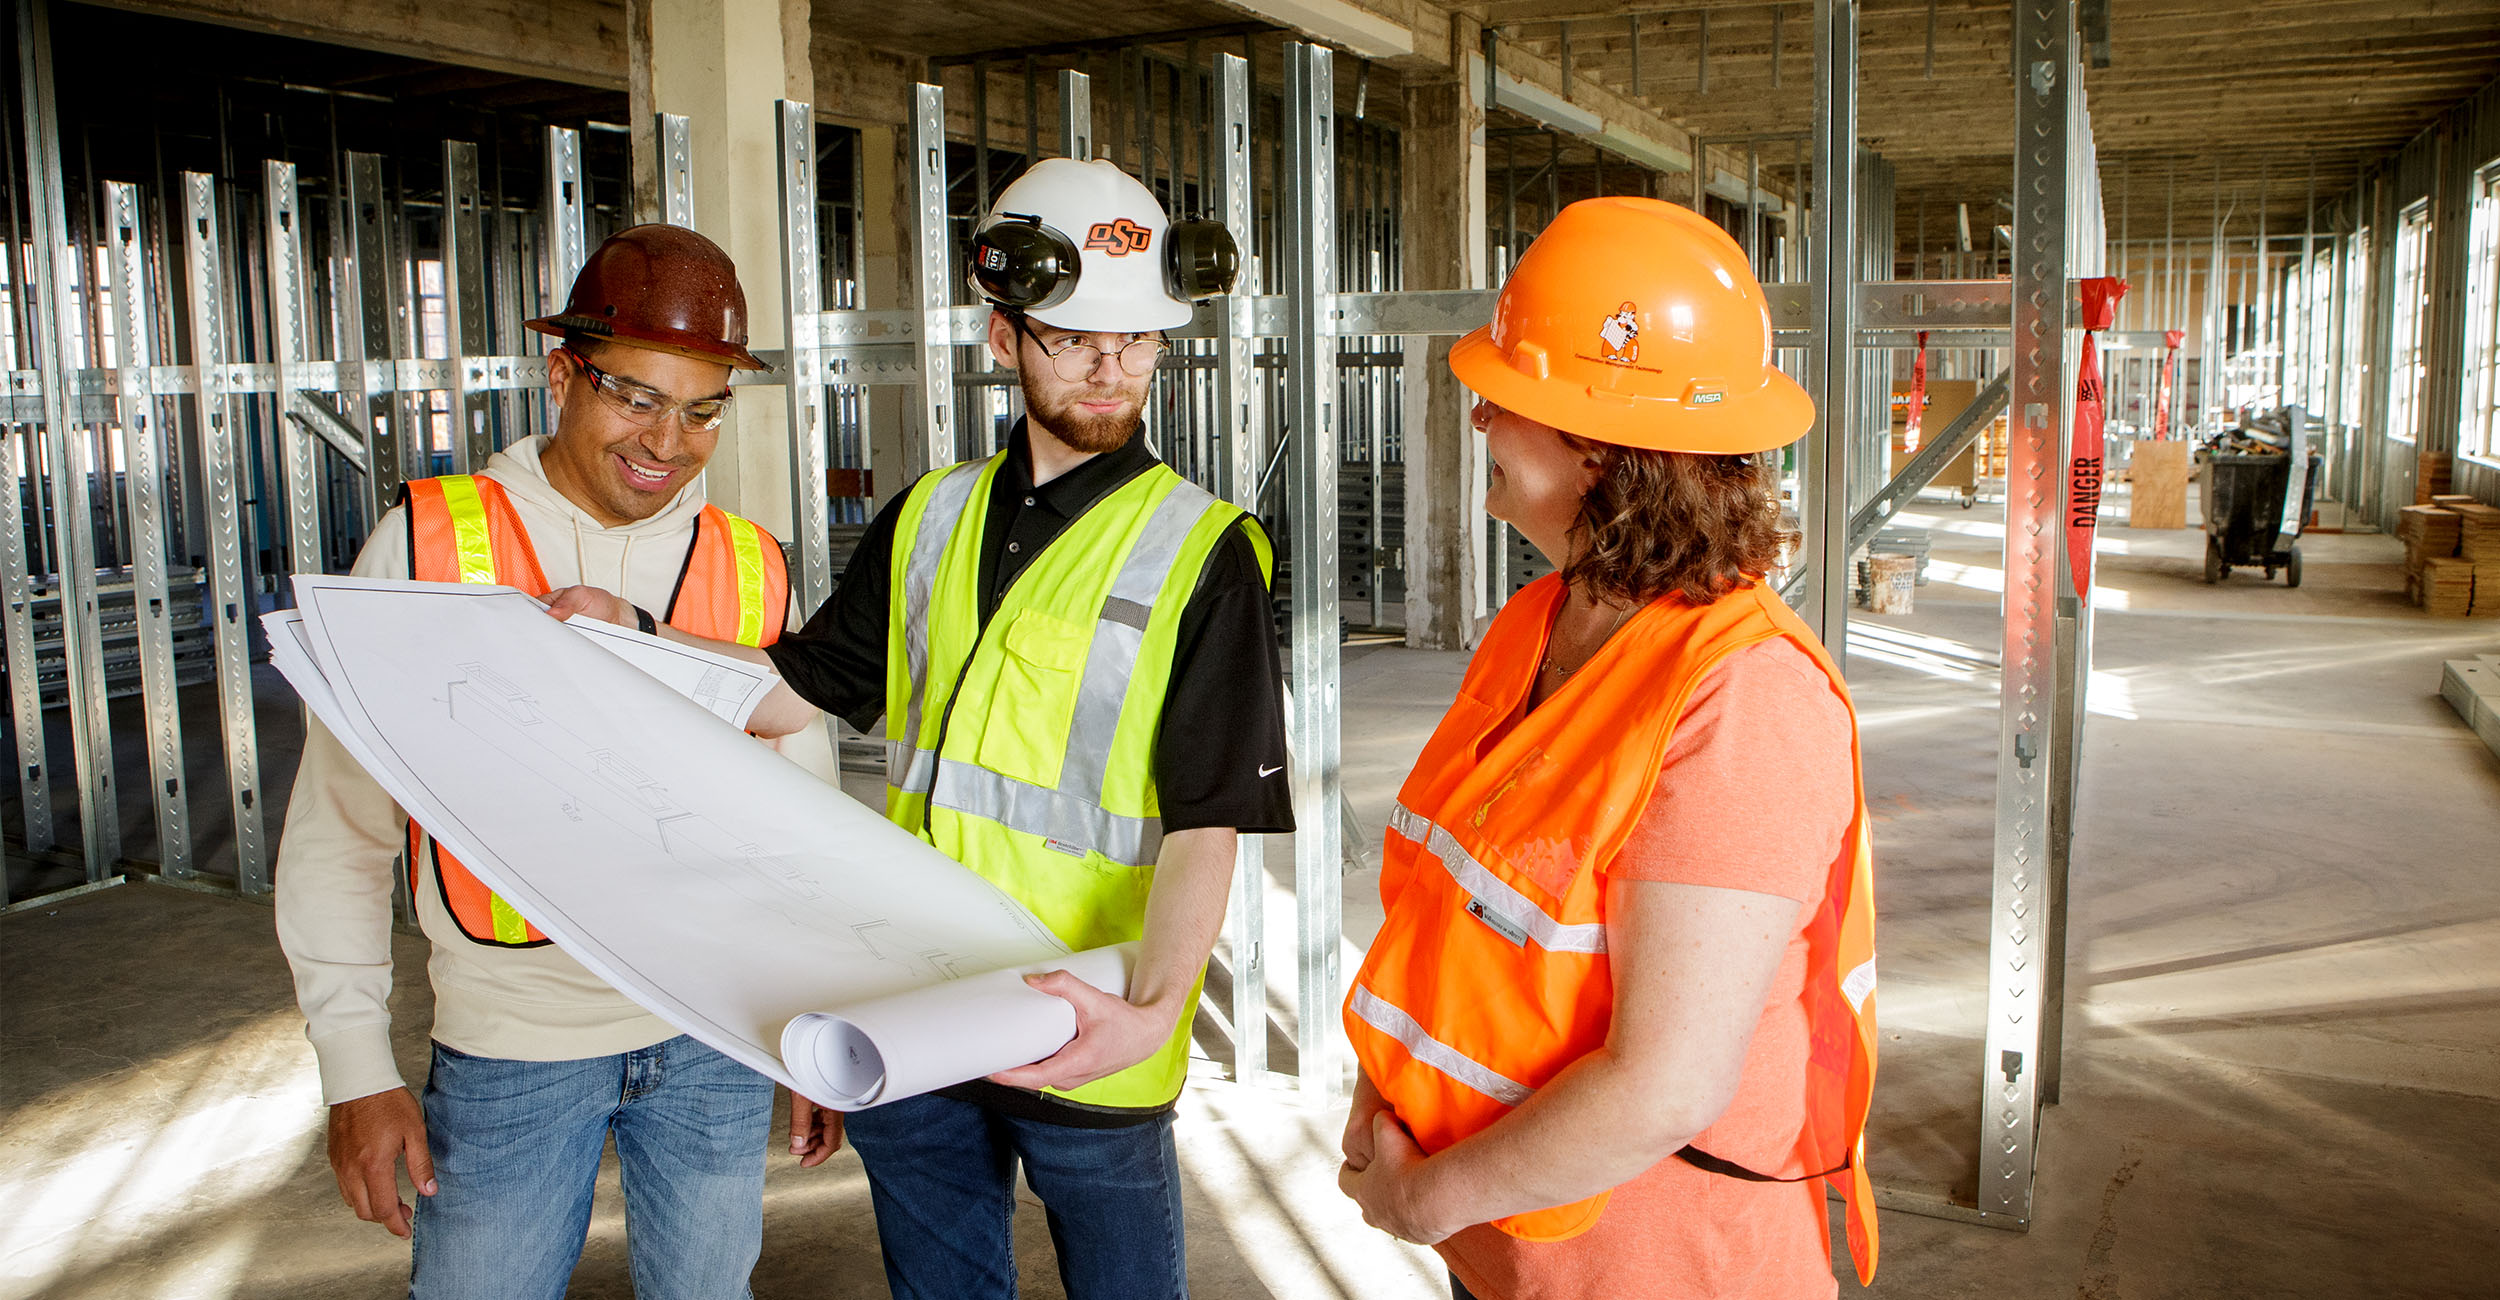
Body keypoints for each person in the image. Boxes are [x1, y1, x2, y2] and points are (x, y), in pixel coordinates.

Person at [548, 156, 1292, 1300]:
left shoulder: (1204, 552)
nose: (1113, 368)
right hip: (924, 1005)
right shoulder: (927, 517)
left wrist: (1148, 1017)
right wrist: (630, 632)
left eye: (1139, 342)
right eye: (1075, 338)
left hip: (1086, 1021)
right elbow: (787, 691)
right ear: (1004, 340)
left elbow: (1210, 822)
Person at [1332, 196, 1881, 1300]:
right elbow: (1458, 914)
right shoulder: (1539, 617)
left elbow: (1663, 1086)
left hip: (1656, 1271)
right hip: (1509, 1242)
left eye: (1506, 398)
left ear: (1598, 448)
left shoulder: (1746, 703)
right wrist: (1389, 1105)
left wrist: (1413, 1200)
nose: (1480, 420)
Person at [275, 224, 821, 1299]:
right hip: (511, 1047)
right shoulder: (430, 548)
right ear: (562, 373)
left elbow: (807, 832)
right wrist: (355, 1069)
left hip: (716, 1038)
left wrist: (814, 1022)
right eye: (636, 396)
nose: (669, 440)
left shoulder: (750, 567)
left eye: (703, 407)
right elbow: (339, 832)